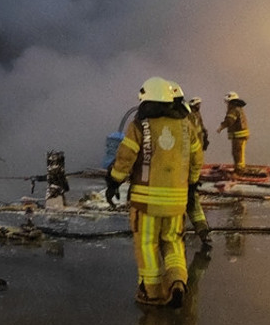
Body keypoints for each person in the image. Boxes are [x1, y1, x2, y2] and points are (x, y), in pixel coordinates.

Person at [106, 77, 204, 307]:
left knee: (148, 244)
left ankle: (153, 292)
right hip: (177, 200)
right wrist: (191, 185)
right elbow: (197, 158)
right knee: (173, 242)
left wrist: (113, 182)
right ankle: (177, 282)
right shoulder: (186, 125)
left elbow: (125, 158)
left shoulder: (141, 124)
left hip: (146, 202)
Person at [171, 83, 211, 249]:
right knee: (193, 204)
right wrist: (194, 179)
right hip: (186, 172)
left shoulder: (170, 124)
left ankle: (177, 235)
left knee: (178, 207)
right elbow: (196, 155)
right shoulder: (187, 122)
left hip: (175, 175)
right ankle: (204, 234)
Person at [216, 92, 250, 171]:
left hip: (239, 136)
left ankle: (239, 170)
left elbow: (229, 121)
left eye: (227, 102)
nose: (227, 105)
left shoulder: (233, 110)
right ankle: (239, 168)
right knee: (239, 152)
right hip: (240, 135)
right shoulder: (238, 108)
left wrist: (221, 127)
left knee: (238, 153)